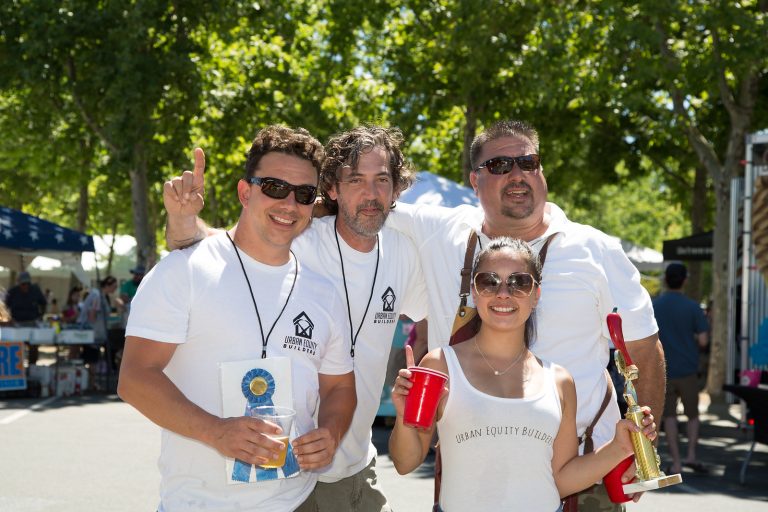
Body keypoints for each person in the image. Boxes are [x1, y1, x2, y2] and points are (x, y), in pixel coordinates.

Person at [384, 119, 666, 510]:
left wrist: (640, 449)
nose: (517, 174)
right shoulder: (442, 233)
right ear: (474, 180)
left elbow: (645, 349)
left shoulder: (595, 250)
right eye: (499, 166)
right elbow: (363, 203)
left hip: (584, 473)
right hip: (472, 474)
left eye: (528, 162)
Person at [164, 125, 428, 512]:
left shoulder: (404, 254)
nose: (370, 194)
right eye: (355, 180)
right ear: (332, 189)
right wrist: (183, 223)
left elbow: (436, 319)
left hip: (361, 464)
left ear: (396, 189)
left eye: (382, 180)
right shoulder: (298, 238)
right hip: (296, 476)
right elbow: (217, 250)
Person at [119, 125, 357, 512]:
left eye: (303, 194)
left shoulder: (325, 293)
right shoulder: (185, 271)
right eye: (275, 188)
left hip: (297, 502)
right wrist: (215, 432)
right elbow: (134, 378)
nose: (289, 204)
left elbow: (339, 389)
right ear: (245, 192)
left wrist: (330, 432)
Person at [389, 238, 657, 511]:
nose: (503, 293)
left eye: (519, 282)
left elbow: (561, 480)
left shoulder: (559, 381)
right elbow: (405, 462)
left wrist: (618, 447)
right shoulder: (441, 365)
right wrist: (403, 416)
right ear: (474, 291)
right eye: (489, 281)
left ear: (536, 295)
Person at [652, 262, 709, 475]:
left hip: (663, 370)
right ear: (685, 280)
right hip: (688, 369)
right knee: (693, 415)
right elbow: (703, 340)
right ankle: (691, 455)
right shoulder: (693, 307)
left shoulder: (654, 306)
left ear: (665, 280)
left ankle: (675, 462)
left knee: (669, 417)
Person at [4, 271, 47, 364]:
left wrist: (41, 316)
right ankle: (18, 368)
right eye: (23, 284)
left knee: (34, 345)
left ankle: (32, 367)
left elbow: (43, 303)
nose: (25, 286)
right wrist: (9, 320)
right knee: (16, 346)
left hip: (32, 323)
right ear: (19, 283)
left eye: (27, 283)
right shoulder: (12, 292)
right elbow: (5, 307)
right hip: (17, 324)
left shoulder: (35, 290)